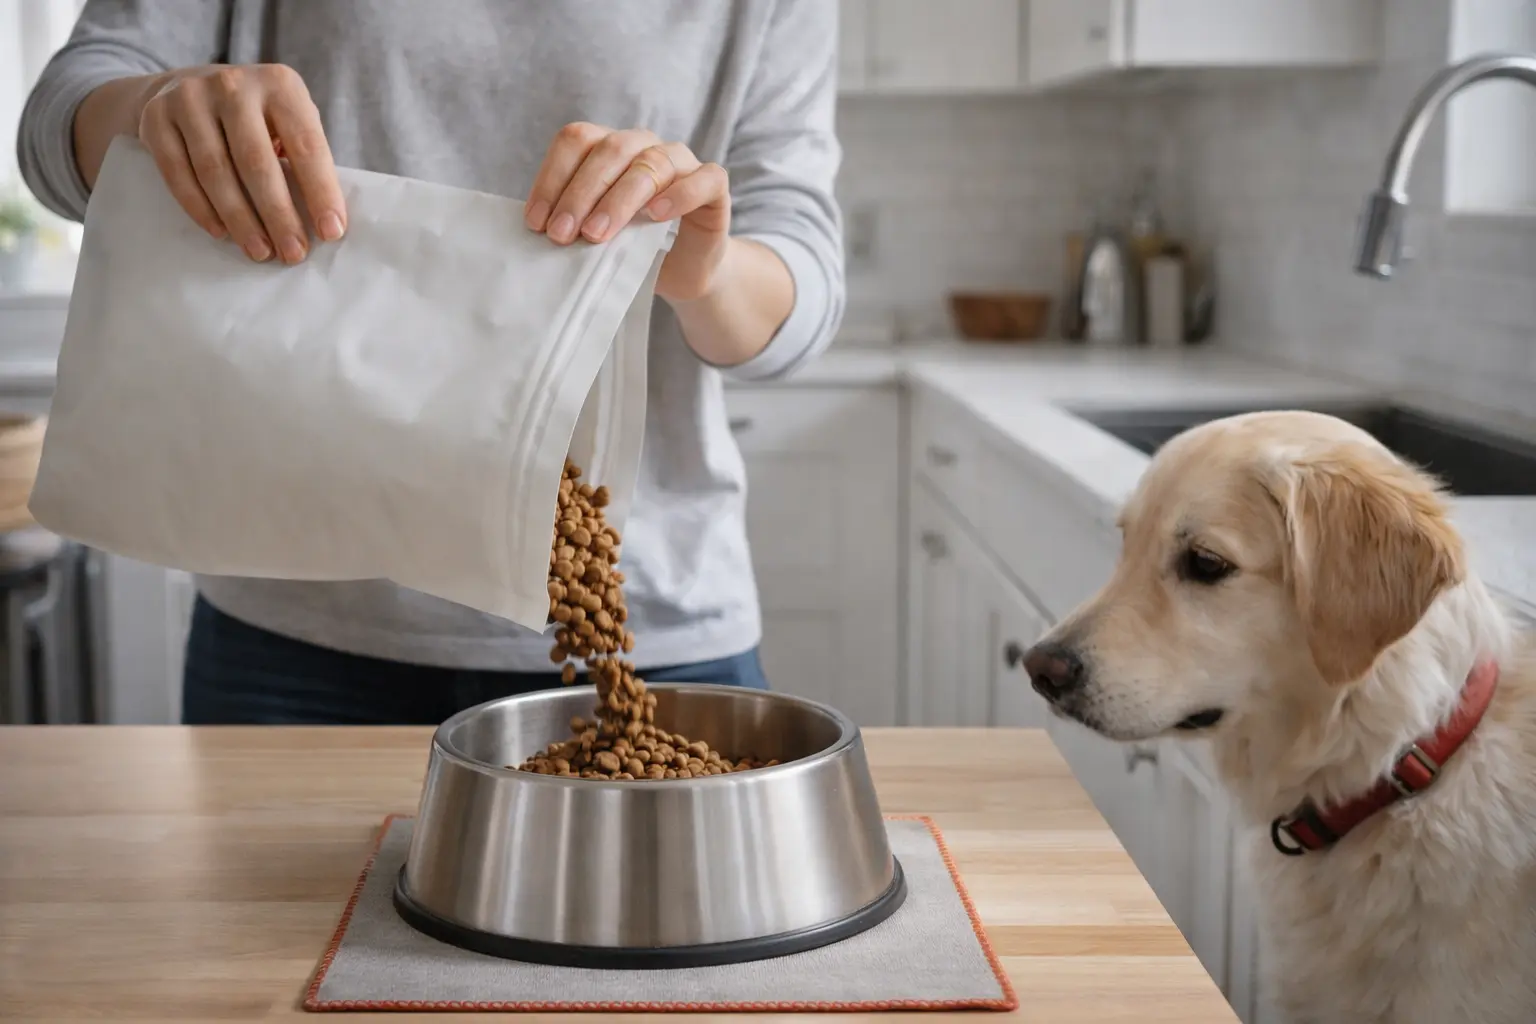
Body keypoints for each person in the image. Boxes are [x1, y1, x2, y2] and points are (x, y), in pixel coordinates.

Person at [17, 1, 844, 726]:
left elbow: (801, 287)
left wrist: (709, 269)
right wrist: (157, 107)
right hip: (296, 633)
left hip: (648, 628)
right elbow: (58, 123)